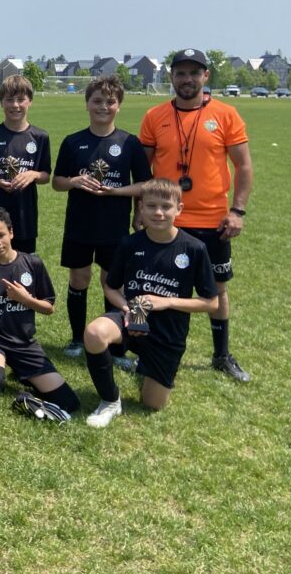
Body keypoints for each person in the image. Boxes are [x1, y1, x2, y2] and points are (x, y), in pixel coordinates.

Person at [138, 48, 253, 383]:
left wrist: (237, 210)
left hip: (213, 221)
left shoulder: (226, 114)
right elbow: (143, 171)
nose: (187, 79)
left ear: (205, 76)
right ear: (172, 77)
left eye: (193, 73)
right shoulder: (154, 116)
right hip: (166, 220)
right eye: (180, 73)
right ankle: (145, 352)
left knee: (216, 290)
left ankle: (221, 355)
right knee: (153, 286)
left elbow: (244, 166)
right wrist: (139, 212)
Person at [83, 179, 219, 427]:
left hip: (168, 331)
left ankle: (147, 365)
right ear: (141, 208)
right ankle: (110, 400)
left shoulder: (194, 249)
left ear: (179, 209)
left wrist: (166, 302)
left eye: (166, 206)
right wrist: (127, 308)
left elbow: (211, 303)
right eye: (151, 206)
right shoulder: (130, 243)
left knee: (152, 404)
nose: (158, 212)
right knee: (94, 333)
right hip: (132, 316)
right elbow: (110, 288)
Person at [52, 75, 150, 357]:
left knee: (112, 283)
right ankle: (76, 339)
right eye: (97, 101)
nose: (103, 107)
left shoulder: (130, 142)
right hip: (79, 224)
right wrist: (75, 181)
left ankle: (115, 347)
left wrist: (116, 192)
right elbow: (57, 182)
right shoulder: (73, 141)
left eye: (110, 101)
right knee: (79, 279)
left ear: (119, 106)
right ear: (87, 104)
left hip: (114, 226)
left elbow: (145, 184)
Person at [0, 205, 81, 420]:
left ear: (11, 232)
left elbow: (49, 308)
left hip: (23, 343)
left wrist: (26, 299)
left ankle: (24, 376)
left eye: (1, 235)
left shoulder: (32, 263)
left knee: (69, 402)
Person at [0, 74, 51, 254]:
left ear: (30, 101)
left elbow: (46, 175)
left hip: (25, 216)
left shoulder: (40, 137)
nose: (15, 105)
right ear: (1, 102)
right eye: (9, 100)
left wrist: (33, 174)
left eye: (21, 99)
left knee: (24, 262)